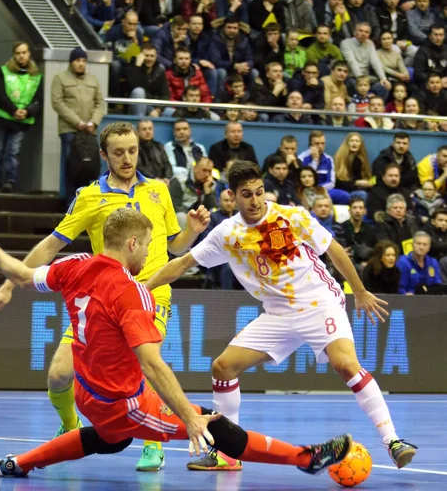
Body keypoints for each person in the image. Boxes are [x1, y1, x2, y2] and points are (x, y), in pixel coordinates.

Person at [0, 214, 353, 480]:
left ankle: (21, 463)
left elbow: (26, 275)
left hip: (87, 392)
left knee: (110, 439)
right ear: (132, 242)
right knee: (220, 430)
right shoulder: (131, 295)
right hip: (125, 402)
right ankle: (306, 459)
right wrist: (190, 416)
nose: (149, 252)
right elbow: (151, 366)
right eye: (147, 244)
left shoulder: (77, 265)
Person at [144, 160, 417, 471]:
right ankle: (227, 453)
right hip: (278, 314)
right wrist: (143, 287)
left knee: (346, 364)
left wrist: (360, 291)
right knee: (223, 367)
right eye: (247, 194)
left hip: (319, 303)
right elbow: (181, 263)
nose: (256, 200)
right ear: (233, 196)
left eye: (260, 192)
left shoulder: (290, 216)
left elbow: (334, 249)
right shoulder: (228, 233)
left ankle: (393, 440)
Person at [0, 121, 210, 473]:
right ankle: (70, 425)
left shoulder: (158, 192)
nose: (127, 158)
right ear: (104, 155)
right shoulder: (90, 196)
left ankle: (153, 445)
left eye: (132, 150)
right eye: (118, 152)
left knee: (144, 367)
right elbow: (52, 244)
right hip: (101, 300)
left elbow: (171, 247)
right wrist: (9, 284)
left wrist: (193, 233)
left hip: (149, 295)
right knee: (59, 374)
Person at [50, 48, 104, 204]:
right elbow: (57, 103)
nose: (81, 64)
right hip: (70, 131)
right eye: (78, 61)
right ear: (71, 62)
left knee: (89, 167)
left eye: (84, 61)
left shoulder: (93, 80)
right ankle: (71, 204)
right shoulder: (60, 78)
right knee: (72, 169)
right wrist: (78, 122)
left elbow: (100, 103)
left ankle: (86, 203)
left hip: (89, 132)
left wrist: (93, 122)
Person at [0, 42, 43, 193]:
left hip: (21, 121)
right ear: (14, 54)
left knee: (13, 153)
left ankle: (10, 182)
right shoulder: (4, 71)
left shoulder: (36, 75)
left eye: (24, 52)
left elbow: (38, 99)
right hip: (2, 119)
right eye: (18, 53)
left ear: (29, 54)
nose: (21, 56)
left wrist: (27, 111)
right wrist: (14, 110)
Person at [340, 22, 391, 100]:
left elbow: (375, 61)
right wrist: (362, 82)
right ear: (355, 32)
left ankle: (376, 108)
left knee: (384, 86)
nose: (363, 34)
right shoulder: (346, 43)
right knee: (356, 85)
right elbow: (352, 63)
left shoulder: (370, 44)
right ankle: (362, 106)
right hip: (353, 77)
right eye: (360, 31)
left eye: (366, 32)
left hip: (367, 77)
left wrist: (383, 78)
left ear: (369, 35)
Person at [299, 130, 349, 205]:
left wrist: (320, 189)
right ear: (310, 145)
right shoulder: (302, 158)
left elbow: (331, 182)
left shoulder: (329, 159)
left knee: (345, 196)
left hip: (324, 190)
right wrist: (315, 160)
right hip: (305, 191)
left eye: (323, 143)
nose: (320, 146)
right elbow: (307, 177)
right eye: (317, 144)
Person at [124, 43, 170, 117]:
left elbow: (165, 94)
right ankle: (140, 121)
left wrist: (158, 110)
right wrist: (137, 66)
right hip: (135, 106)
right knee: (138, 91)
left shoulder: (160, 70)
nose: (149, 59)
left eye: (152, 56)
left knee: (172, 112)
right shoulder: (132, 66)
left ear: (156, 57)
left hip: (154, 106)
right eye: (146, 55)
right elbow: (132, 85)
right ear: (140, 56)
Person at [169, 157, 218, 227]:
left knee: (214, 214)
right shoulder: (179, 180)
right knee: (181, 216)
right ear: (195, 168)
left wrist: (208, 192)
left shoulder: (210, 183)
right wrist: (192, 217)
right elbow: (175, 205)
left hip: (200, 215)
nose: (207, 175)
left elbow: (213, 207)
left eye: (209, 171)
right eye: (204, 170)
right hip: (184, 214)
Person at [340, 196, 375, 267]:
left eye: (360, 208)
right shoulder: (341, 228)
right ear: (349, 210)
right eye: (354, 207)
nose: (357, 211)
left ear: (365, 211)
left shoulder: (370, 230)